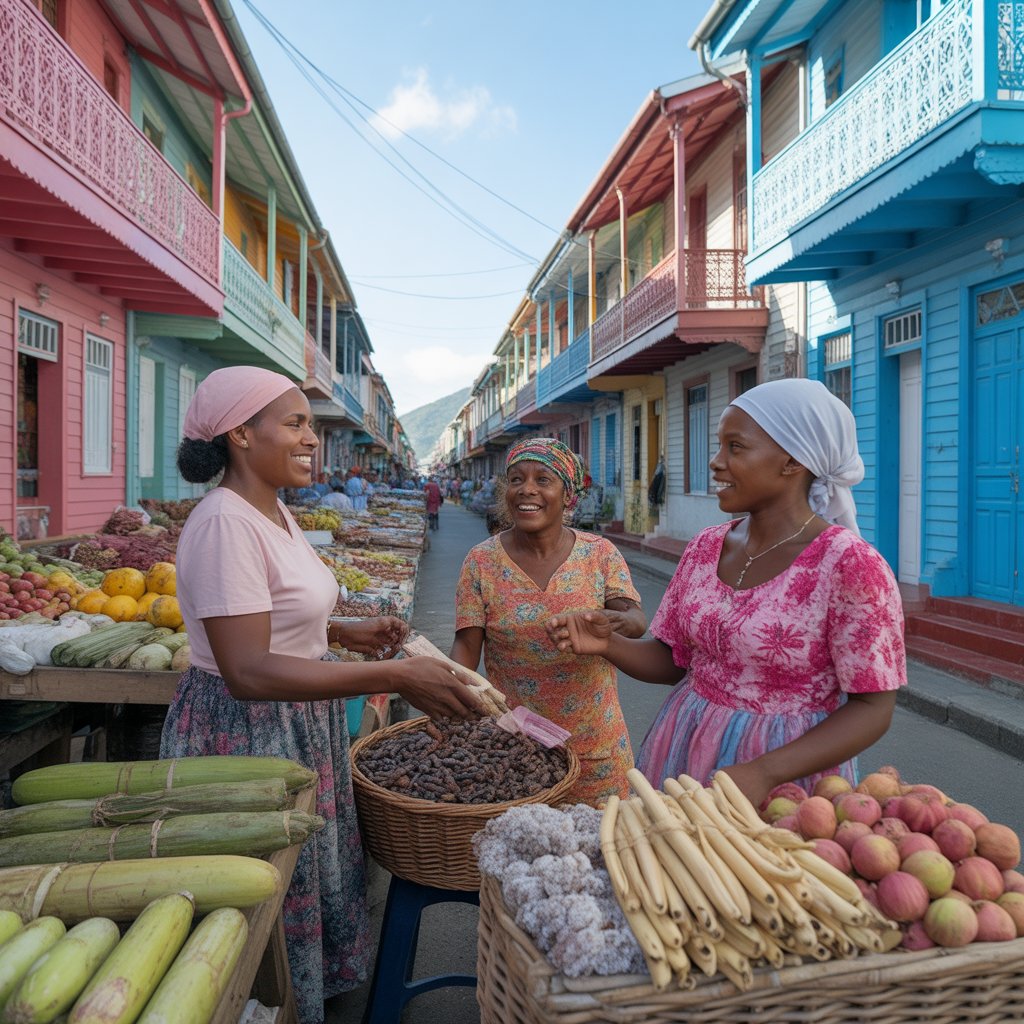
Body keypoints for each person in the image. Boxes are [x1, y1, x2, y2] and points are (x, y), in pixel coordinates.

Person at [164, 366, 483, 1024]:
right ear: (241, 435)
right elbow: (248, 669)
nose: (312, 437)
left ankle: (302, 1001)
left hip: (294, 721)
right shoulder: (227, 522)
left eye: (309, 423)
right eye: (295, 423)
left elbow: (266, 612)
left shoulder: (271, 510)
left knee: (301, 875)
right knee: (261, 898)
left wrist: (340, 630)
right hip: (249, 732)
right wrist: (395, 675)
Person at [547, 379, 906, 809]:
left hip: (787, 778)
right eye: (720, 446)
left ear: (793, 460)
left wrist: (766, 770)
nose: (715, 463)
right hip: (684, 749)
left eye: (735, 447)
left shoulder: (851, 565)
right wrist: (608, 644)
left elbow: (873, 707)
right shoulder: (704, 547)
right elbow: (673, 661)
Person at [450, 437, 647, 805]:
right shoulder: (481, 562)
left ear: (568, 495)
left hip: (596, 747)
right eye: (516, 479)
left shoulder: (599, 554)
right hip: (516, 750)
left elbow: (635, 618)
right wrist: (448, 697)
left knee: (602, 850)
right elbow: (466, 646)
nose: (527, 489)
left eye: (543, 479)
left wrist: (608, 623)